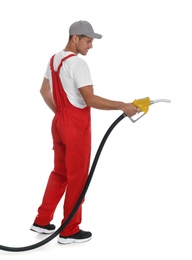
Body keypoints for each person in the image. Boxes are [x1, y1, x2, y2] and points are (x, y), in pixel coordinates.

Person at [30, 20, 138, 245]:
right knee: (77, 177)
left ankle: (41, 221)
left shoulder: (54, 59)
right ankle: (69, 230)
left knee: (60, 173)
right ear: (74, 38)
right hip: (75, 126)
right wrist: (123, 105)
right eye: (88, 41)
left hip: (59, 123)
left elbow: (43, 90)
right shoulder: (77, 65)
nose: (91, 46)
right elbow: (90, 100)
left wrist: (60, 114)